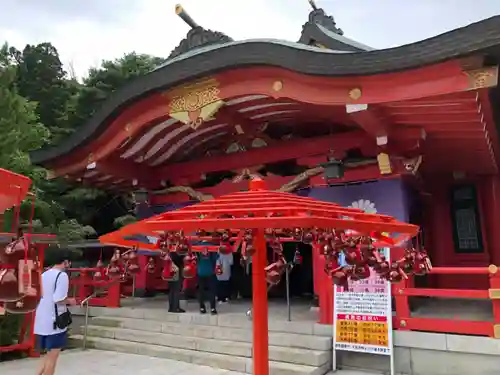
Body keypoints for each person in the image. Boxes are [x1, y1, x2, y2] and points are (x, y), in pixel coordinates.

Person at [34, 254, 77, 375]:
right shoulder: (62, 275)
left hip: (41, 320)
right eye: (69, 262)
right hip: (54, 322)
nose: (69, 265)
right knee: (52, 358)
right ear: (65, 261)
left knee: (46, 357)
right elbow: (58, 299)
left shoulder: (44, 274)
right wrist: (70, 301)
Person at [197, 250, 218, 314]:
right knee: (201, 291)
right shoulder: (197, 247)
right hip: (201, 273)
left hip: (210, 273)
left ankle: (212, 308)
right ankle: (202, 307)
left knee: (212, 291)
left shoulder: (212, 248)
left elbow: (217, 257)